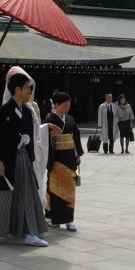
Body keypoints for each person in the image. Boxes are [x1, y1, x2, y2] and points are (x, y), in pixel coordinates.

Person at [0, 71, 49, 246]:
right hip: (7, 159)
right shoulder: (4, 111)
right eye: (27, 88)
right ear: (17, 89)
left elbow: (32, 134)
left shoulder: (26, 110)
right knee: (1, 196)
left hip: (23, 157)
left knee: (27, 194)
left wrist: (29, 147)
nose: (29, 91)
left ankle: (29, 232)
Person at [43, 92, 83, 231]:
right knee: (54, 189)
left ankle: (68, 219)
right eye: (65, 106)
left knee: (69, 189)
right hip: (56, 159)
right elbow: (43, 138)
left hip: (69, 158)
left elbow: (76, 138)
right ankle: (52, 216)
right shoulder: (49, 119)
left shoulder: (70, 119)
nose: (67, 109)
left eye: (69, 106)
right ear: (57, 105)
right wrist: (50, 135)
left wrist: (78, 155)